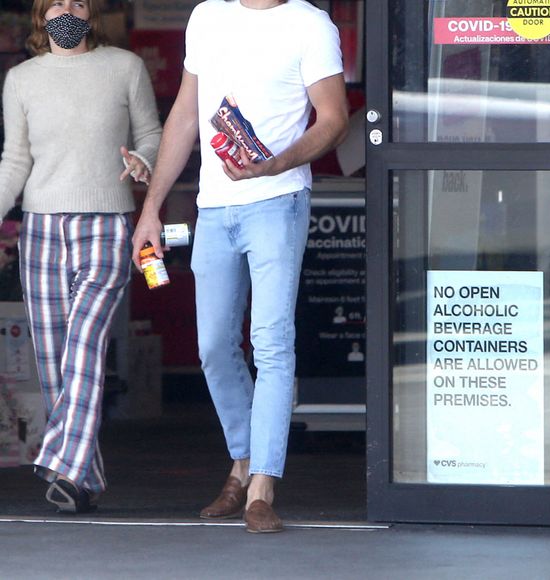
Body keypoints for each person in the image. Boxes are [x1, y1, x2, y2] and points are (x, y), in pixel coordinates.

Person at [132, 0, 348, 533]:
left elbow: (336, 118)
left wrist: (275, 163)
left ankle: (260, 487)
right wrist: (152, 208)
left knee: (272, 341)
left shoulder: (309, 23)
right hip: (214, 206)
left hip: (279, 202)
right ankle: (245, 458)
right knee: (212, 346)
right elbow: (185, 114)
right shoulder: (207, 16)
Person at [0, 0, 162, 513]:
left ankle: (58, 455)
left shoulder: (124, 68)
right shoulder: (22, 79)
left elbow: (153, 135)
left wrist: (145, 161)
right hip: (42, 227)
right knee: (53, 363)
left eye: (77, 1)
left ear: (90, 13)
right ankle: (81, 478)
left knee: (84, 344)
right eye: (56, 2)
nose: (67, 9)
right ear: (40, 16)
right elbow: (16, 158)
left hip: (106, 223)